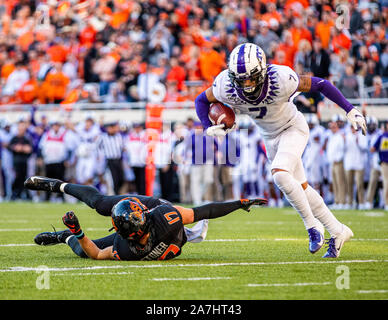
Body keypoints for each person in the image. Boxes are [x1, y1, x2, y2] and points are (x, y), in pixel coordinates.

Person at [195, 43, 367, 258]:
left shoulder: (281, 78)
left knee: (280, 175)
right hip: (269, 137)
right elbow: (201, 100)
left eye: (251, 78)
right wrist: (207, 126)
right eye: (241, 80)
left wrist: (350, 110)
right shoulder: (224, 85)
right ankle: (338, 230)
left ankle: (313, 228)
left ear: (262, 70)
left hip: (292, 128)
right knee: (301, 188)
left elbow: (321, 84)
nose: (246, 84)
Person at [24, 176, 267, 261]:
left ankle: (63, 234)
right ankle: (58, 187)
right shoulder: (163, 222)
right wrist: (238, 203)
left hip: (153, 207)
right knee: (99, 206)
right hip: (150, 215)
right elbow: (206, 211)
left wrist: (76, 233)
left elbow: (204, 211)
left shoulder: (162, 217)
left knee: (83, 247)